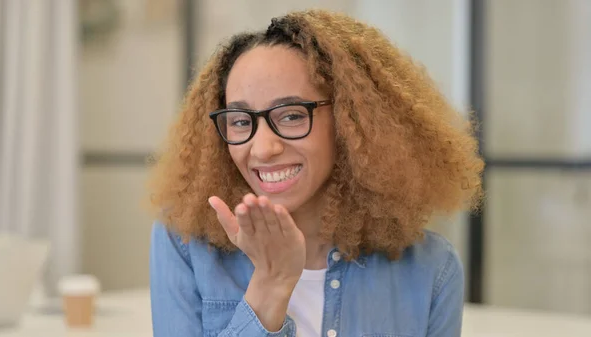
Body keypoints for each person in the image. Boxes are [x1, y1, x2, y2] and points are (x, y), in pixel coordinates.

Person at [148, 9, 483, 337]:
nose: (262, 148)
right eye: (239, 121)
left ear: (352, 123)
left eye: (291, 116)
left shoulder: (431, 269)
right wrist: (271, 283)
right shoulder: (185, 243)